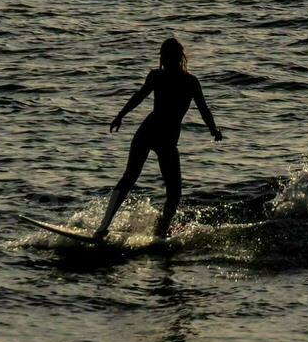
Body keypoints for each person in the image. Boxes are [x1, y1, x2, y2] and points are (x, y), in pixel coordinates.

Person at [93, 37, 222, 241]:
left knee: (173, 192)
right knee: (131, 178)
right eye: (165, 57)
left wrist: (213, 129)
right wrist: (121, 115)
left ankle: (159, 232)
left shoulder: (189, 82)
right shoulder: (165, 78)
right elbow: (139, 96)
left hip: (162, 138)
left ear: (178, 58)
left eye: (170, 57)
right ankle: (104, 227)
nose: (167, 61)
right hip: (153, 134)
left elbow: (204, 109)